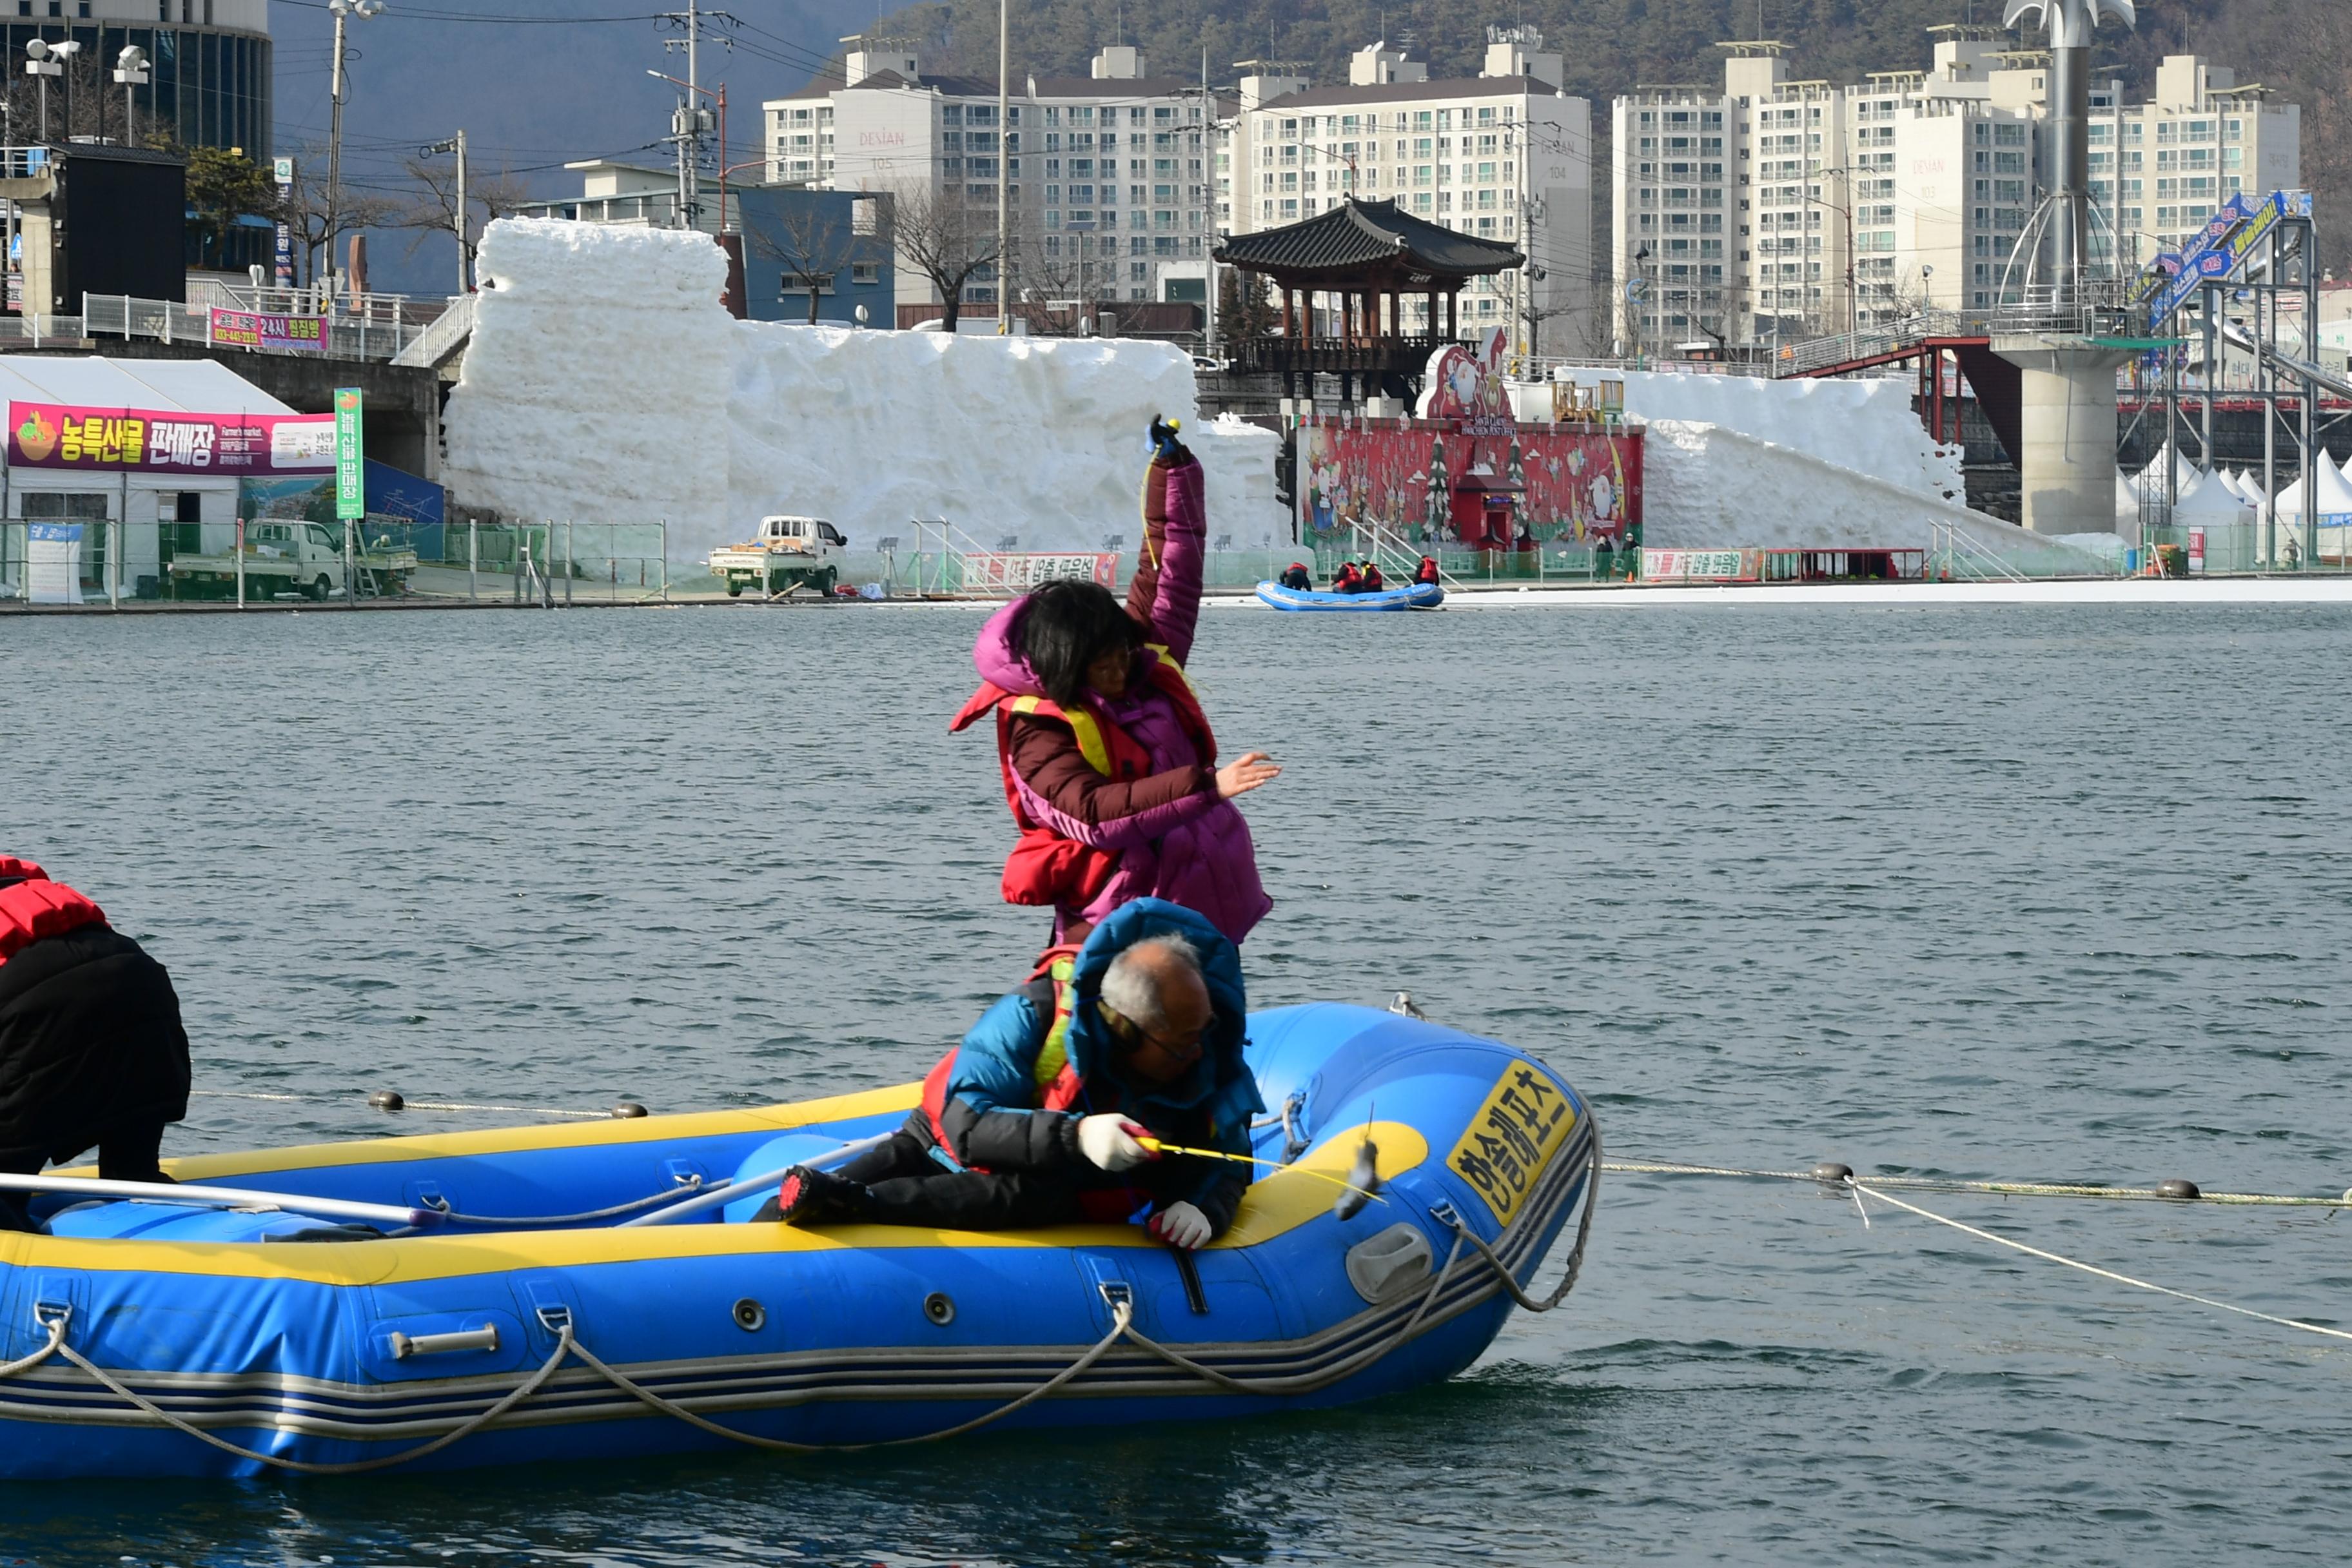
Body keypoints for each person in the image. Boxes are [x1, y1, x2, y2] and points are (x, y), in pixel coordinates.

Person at [950, 417, 1279, 948]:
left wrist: (1174, 472)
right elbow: (1094, 816)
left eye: (1121, 655)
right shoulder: (1038, 731)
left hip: (1207, 926)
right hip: (1122, 937)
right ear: (1067, 666)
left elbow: (1174, 564)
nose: (1120, 672)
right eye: (1102, 665)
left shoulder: (1143, 662)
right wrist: (1206, 787)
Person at [767, 900, 1262, 1248]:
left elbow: (1229, 1157)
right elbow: (968, 1127)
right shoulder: (1032, 1014)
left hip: (1050, 1192)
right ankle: (811, 1213)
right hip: (936, 1148)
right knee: (785, 1214)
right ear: (1127, 1031)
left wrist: (1202, 1209)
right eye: (1179, 1044)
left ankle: (861, 1207)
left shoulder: (1202, 1046)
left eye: (1203, 1033)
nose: (1198, 1053)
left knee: (1032, 1195)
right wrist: (1078, 1136)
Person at [0, 857, 190, 1230]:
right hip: (144, 995)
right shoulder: (28, 888)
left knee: (6, 1180)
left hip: (40, 1014)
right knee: (133, 1172)